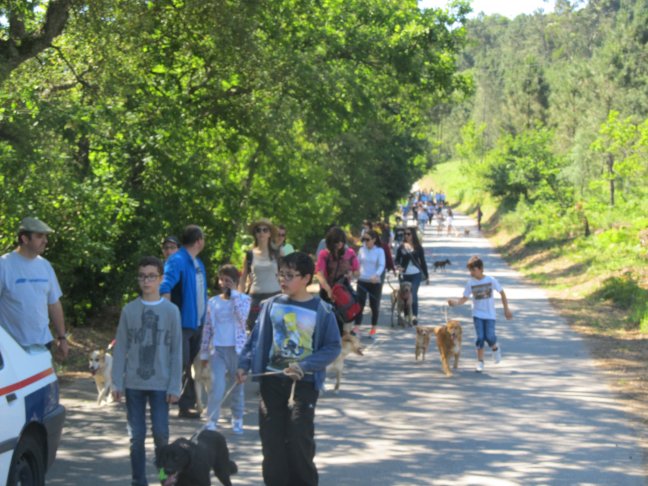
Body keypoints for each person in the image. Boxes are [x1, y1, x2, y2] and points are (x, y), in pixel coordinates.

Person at [236, 252, 341, 486]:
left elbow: (333, 346)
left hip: (302, 385)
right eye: (280, 274)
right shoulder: (270, 305)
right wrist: (244, 365)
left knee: (298, 442)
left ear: (306, 278)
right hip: (271, 382)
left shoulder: (322, 310)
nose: (283, 280)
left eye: (290, 275)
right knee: (272, 444)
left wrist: (304, 366)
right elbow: (255, 341)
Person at [111, 256, 183, 486]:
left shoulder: (171, 311)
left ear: (161, 279)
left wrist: (174, 385)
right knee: (136, 437)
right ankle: (138, 481)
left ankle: (164, 478)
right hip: (134, 384)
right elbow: (121, 347)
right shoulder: (129, 310)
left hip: (161, 384)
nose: (146, 280)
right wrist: (116, 382)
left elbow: (176, 351)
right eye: (142, 276)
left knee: (161, 435)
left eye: (151, 276)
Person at [0, 217, 68, 359]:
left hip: (43, 345)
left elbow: (54, 304)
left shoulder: (45, 266)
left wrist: (62, 338)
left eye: (45, 236)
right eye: (39, 236)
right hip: (11, 349)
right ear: (24, 239)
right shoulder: (4, 265)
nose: (45, 240)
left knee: (46, 382)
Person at [160, 224, 208, 419]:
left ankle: (189, 401)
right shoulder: (176, 260)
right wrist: (168, 316)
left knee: (192, 365)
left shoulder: (198, 263)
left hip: (197, 323)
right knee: (183, 364)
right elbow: (165, 286)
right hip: (181, 323)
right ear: (198, 241)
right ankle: (183, 404)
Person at [199, 264, 250, 434]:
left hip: (236, 349)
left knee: (237, 386)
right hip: (218, 349)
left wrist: (234, 295)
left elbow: (242, 319)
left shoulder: (243, 299)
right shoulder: (213, 302)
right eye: (222, 279)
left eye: (228, 280)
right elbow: (207, 328)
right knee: (217, 386)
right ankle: (212, 419)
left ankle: (237, 419)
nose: (224, 283)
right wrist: (204, 352)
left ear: (235, 282)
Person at [448, 255, 513, 373]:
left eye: (474, 270)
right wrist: (455, 302)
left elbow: (502, 293)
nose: (471, 273)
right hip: (477, 314)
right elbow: (464, 298)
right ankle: (480, 362)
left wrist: (506, 309)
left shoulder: (491, 280)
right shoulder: (470, 283)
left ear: (480, 268)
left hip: (490, 315)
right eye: (470, 270)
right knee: (480, 338)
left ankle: (495, 348)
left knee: (490, 337)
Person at [315, 226, 359, 334]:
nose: (340, 244)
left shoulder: (350, 253)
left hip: (343, 290)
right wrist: (329, 290)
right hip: (327, 292)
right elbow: (319, 274)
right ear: (330, 242)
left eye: (342, 241)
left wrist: (351, 273)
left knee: (344, 321)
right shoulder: (324, 254)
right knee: (326, 324)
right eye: (337, 241)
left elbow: (357, 271)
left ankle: (343, 339)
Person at [239, 218, 281, 331]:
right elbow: (242, 279)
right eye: (258, 230)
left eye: (265, 230)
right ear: (255, 234)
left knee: (274, 332)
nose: (261, 233)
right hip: (255, 299)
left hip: (275, 297)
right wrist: (239, 299)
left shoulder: (278, 253)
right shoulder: (249, 254)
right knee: (254, 332)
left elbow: (285, 276)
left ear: (270, 234)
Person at [353, 230, 385, 339]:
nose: (365, 242)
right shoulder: (362, 250)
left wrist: (376, 275)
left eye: (367, 239)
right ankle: (357, 328)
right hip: (362, 280)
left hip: (374, 282)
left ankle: (373, 329)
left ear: (374, 240)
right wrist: (355, 270)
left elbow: (381, 265)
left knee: (374, 306)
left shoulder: (379, 251)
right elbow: (357, 263)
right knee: (359, 305)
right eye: (363, 239)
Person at [394, 228, 429, 326]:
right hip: (405, 275)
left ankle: (414, 316)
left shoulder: (418, 247)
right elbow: (396, 260)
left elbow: (423, 262)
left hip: (416, 274)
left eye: (409, 234)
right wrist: (398, 267)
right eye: (405, 234)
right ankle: (406, 316)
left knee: (413, 294)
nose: (406, 236)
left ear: (413, 235)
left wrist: (426, 275)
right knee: (404, 296)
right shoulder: (401, 247)